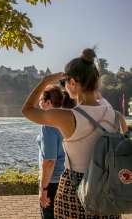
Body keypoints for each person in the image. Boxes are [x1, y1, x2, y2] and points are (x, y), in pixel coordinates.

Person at [22, 48, 122, 218]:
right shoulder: (114, 114)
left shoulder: (67, 117)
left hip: (74, 192)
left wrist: (45, 81)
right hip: (107, 193)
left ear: (74, 82)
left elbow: (27, 110)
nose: (65, 87)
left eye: (65, 82)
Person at [36, 85, 76, 219]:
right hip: (69, 180)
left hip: (52, 184)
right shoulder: (69, 119)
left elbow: (49, 161)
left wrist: (43, 189)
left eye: (41, 100)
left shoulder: (48, 125)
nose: (39, 103)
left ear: (48, 102)